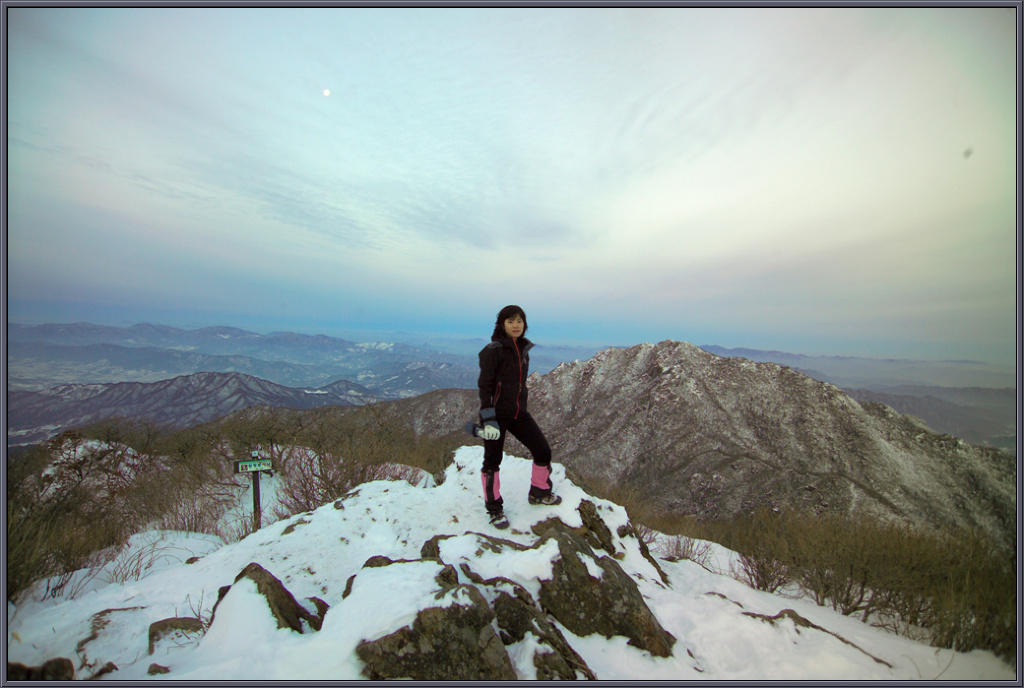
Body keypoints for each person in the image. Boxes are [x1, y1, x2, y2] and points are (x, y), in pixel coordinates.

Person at [476, 305, 561, 529]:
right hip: (496, 415)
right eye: (511, 321)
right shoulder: (492, 350)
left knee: (542, 450)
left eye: (520, 321)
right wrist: (488, 417)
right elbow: (485, 386)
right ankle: (494, 509)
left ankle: (539, 492)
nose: (516, 325)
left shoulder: (523, 350)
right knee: (492, 462)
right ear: (502, 324)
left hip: (518, 414)